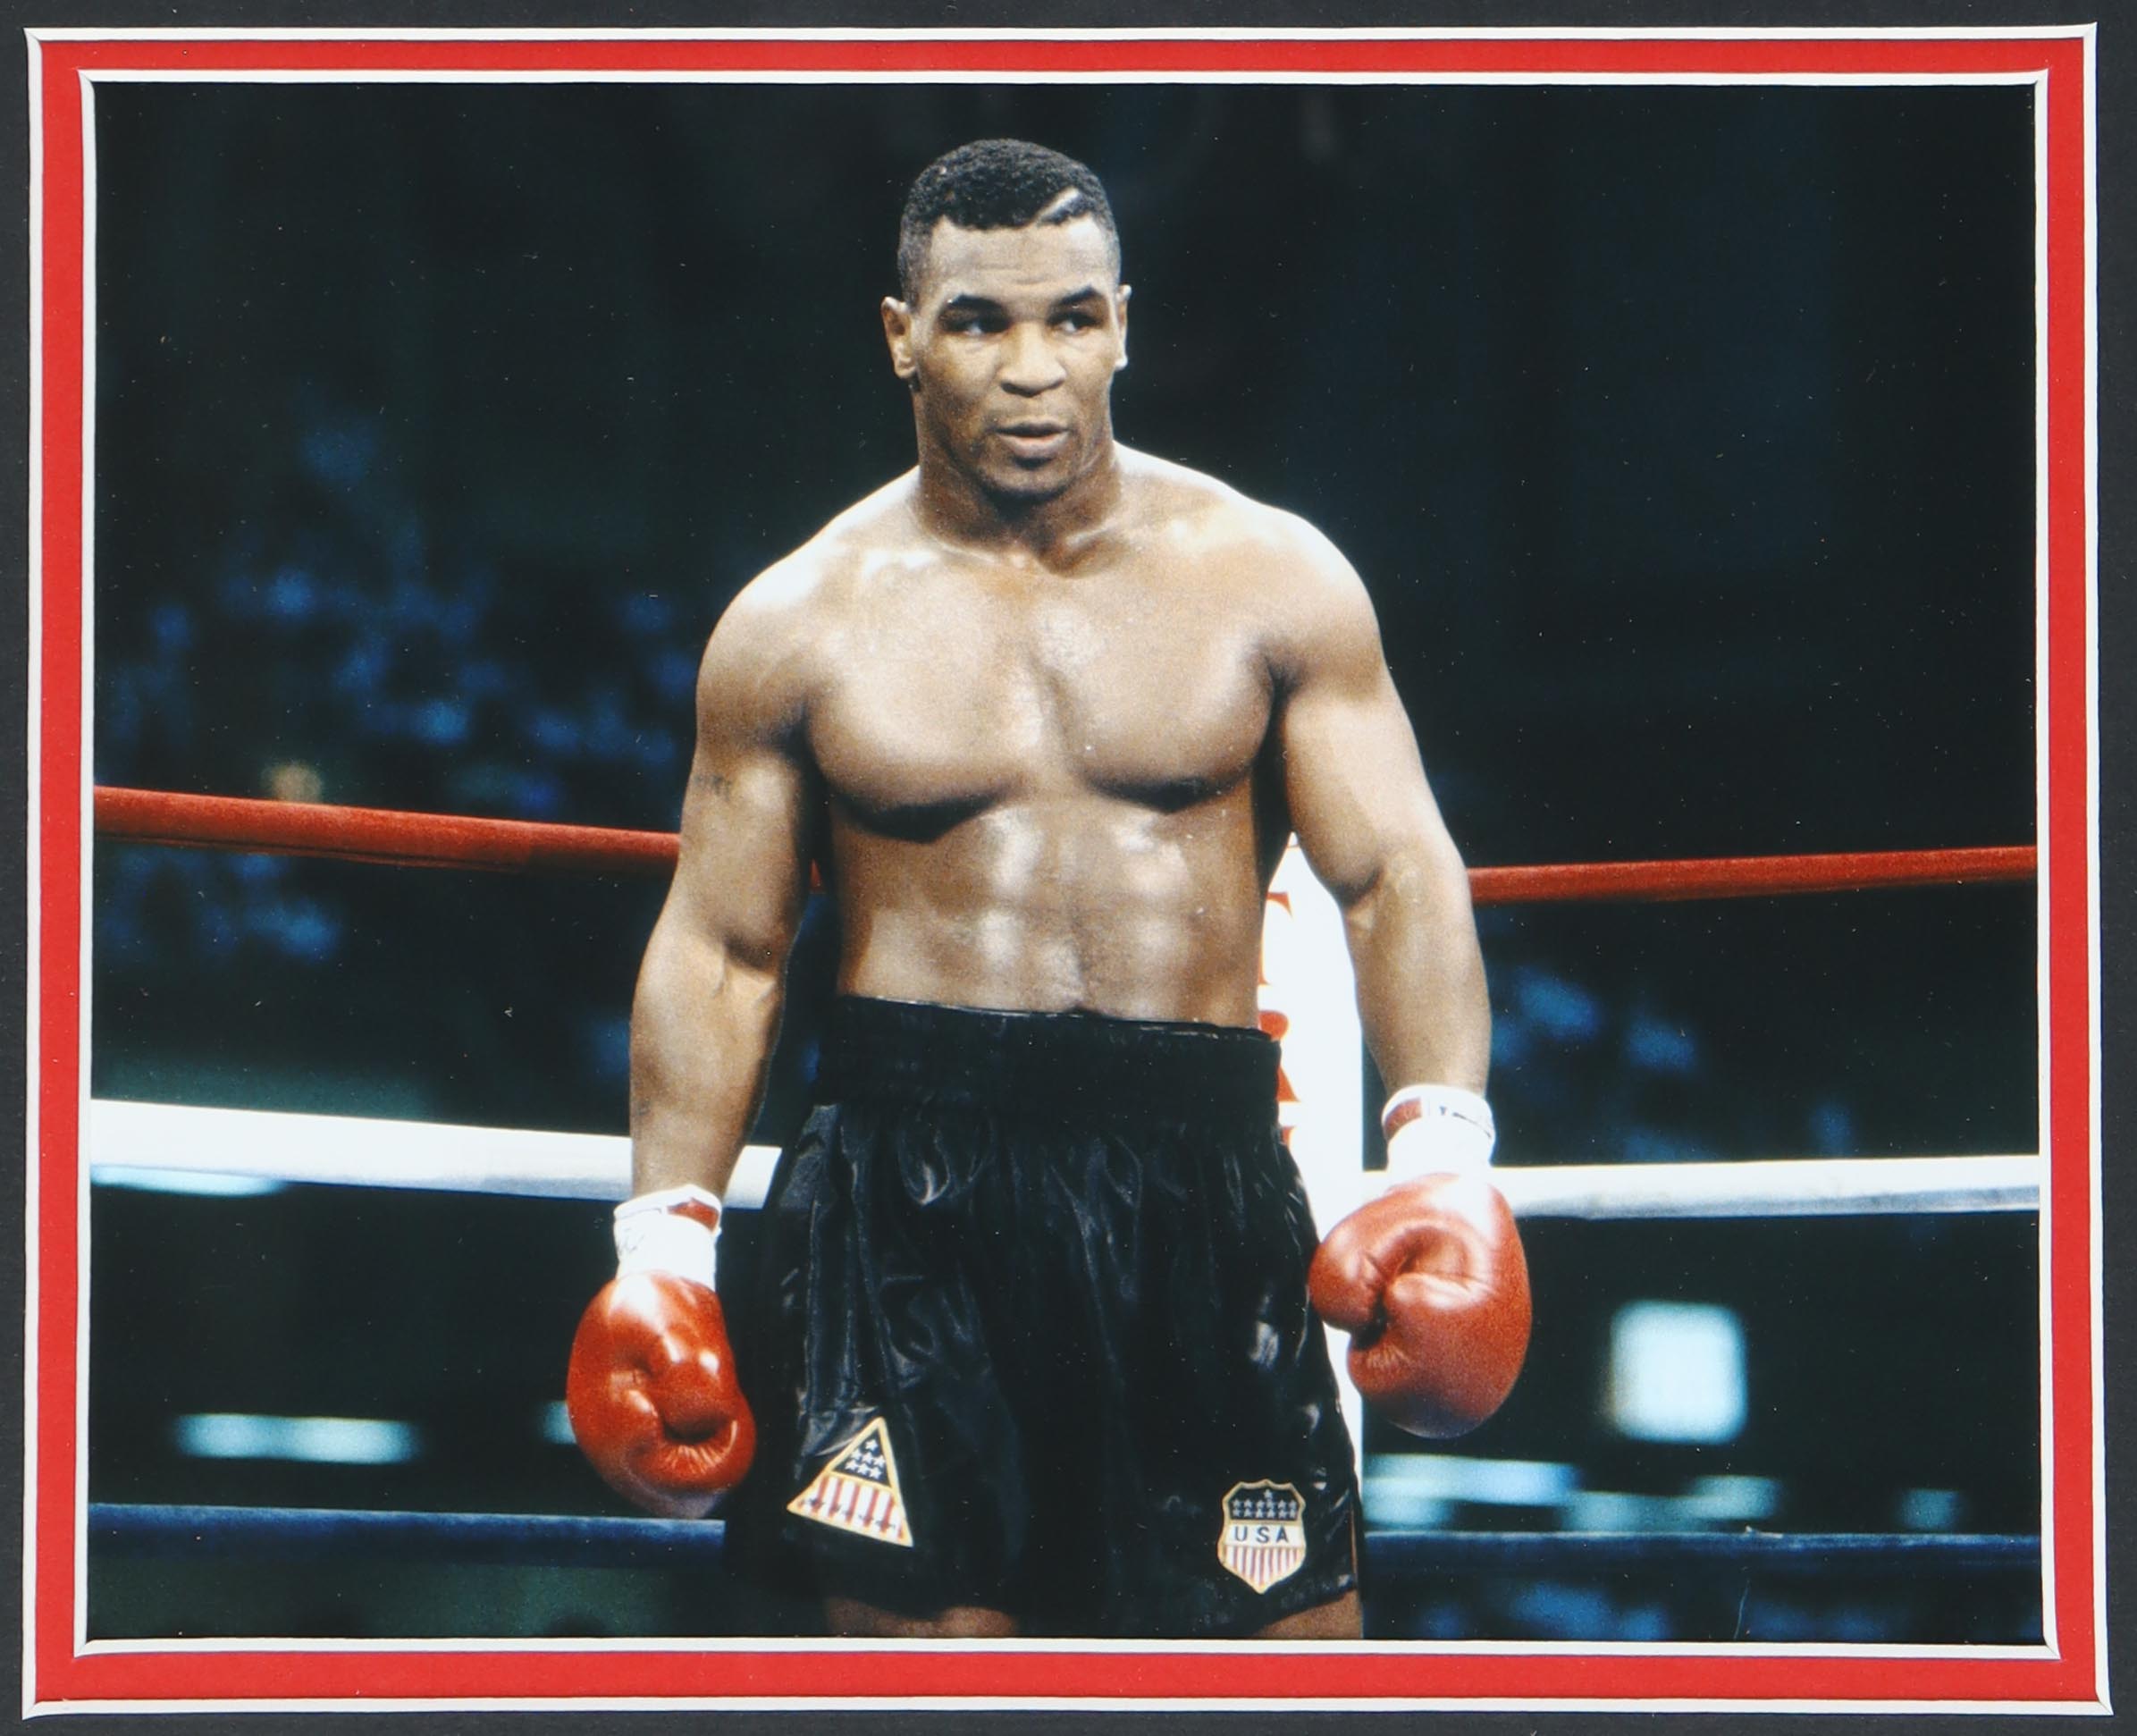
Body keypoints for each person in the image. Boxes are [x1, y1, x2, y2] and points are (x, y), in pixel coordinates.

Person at [566, 139, 1529, 1640]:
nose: (1033, 369)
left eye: (1073, 318)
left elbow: (1397, 874)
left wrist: (1448, 1159)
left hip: (1198, 1176)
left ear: (1123, 325)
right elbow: (724, 948)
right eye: (981, 322)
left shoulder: (1274, 581)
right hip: (907, 1199)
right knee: (935, 1683)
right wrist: (663, 1252)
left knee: (1282, 1670)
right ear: (903, 336)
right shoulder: (797, 622)